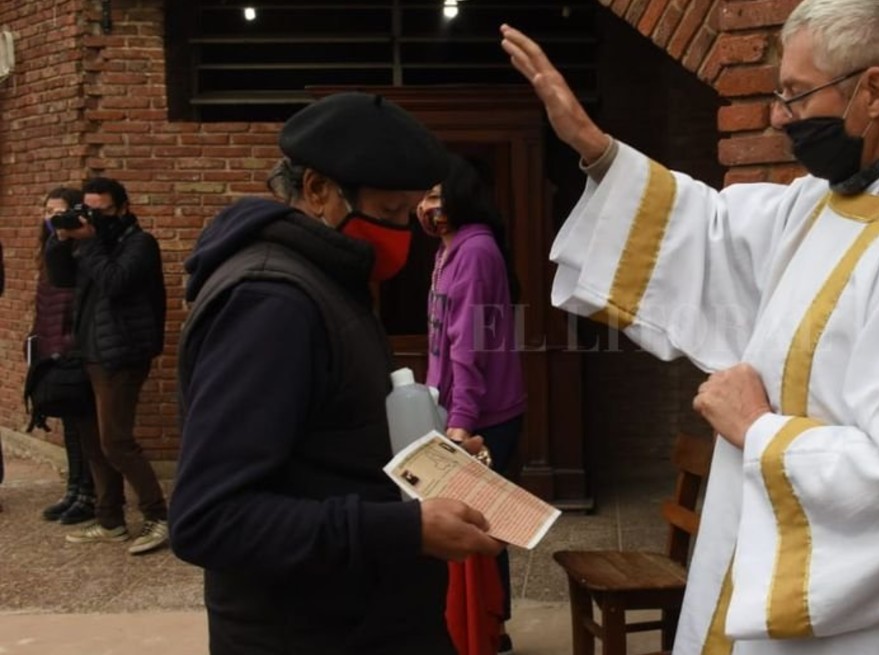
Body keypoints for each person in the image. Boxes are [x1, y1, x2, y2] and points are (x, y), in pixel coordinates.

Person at [501, 0, 879, 652]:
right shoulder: (825, 203)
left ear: (872, 91)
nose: (780, 116)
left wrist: (759, 430)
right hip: (755, 558)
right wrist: (597, 149)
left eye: (795, 94)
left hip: (867, 624)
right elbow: (713, 233)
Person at [169, 91, 503, 655]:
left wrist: (433, 467)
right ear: (319, 189)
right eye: (391, 212)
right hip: (310, 631)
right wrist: (405, 529)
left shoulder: (332, 279)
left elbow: (329, 448)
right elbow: (210, 518)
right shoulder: (271, 303)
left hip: (373, 616)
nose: (404, 231)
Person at [417, 156, 526, 655]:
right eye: (425, 197)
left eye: (438, 196)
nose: (428, 207)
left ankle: (490, 630)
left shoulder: (476, 250)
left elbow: (469, 345)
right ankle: (471, 627)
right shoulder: (448, 249)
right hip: (454, 409)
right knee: (468, 524)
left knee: (483, 527)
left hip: (483, 416)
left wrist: (460, 424)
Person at [46, 177, 170, 555]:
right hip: (88, 351)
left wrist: (90, 240)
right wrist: (61, 238)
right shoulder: (91, 243)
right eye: (86, 209)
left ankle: (158, 517)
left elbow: (115, 283)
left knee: (116, 441)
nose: (91, 217)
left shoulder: (139, 244)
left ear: (122, 207)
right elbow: (61, 278)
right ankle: (110, 520)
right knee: (93, 441)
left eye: (100, 210)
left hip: (122, 355)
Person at [32, 187, 98, 526]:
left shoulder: (80, 250)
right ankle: (74, 487)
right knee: (69, 423)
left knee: (86, 424)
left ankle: (90, 491)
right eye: (47, 211)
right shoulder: (48, 249)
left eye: (58, 212)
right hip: (53, 345)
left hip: (77, 347)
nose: (51, 218)